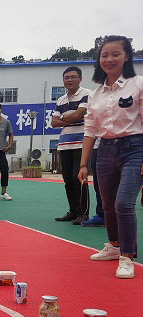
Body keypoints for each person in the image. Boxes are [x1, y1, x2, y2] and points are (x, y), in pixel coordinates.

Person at [78, 35, 143, 279]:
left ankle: (127, 256)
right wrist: (83, 164)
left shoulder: (138, 84)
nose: (109, 59)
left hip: (134, 148)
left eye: (116, 54)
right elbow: (90, 130)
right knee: (107, 204)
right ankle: (114, 246)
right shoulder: (95, 94)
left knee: (123, 203)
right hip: (104, 150)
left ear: (127, 56)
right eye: (104, 55)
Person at [51, 67, 93, 224]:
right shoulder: (61, 100)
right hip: (64, 144)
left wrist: (64, 118)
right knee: (68, 179)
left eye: (73, 77)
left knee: (79, 178)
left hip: (81, 142)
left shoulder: (87, 94)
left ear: (80, 78)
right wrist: (69, 117)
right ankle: (73, 211)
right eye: (66, 77)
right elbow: (53, 123)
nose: (69, 80)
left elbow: (79, 114)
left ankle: (83, 213)